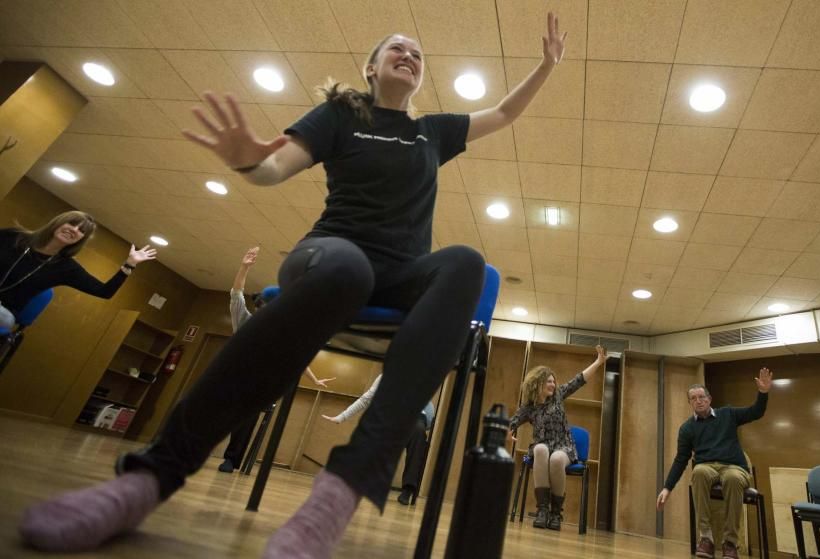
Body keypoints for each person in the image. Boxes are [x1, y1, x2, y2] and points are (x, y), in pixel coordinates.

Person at [19, 12, 568, 557]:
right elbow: (273, 166)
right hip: (331, 254)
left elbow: (502, 112)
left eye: (417, 54)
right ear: (371, 68)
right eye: (395, 48)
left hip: (402, 272)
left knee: (467, 262)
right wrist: (244, 162)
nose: (408, 55)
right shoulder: (340, 114)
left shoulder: (432, 132)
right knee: (346, 271)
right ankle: (149, 477)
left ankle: (340, 493)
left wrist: (546, 66)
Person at [217, 246, 333, 473]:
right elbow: (236, 294)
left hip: (263, 383)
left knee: (247, 413)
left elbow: (297, 358)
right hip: (237, 377)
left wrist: (315, 379)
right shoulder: (244, 321)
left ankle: (231, 458)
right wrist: (244, 267)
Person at [656, 368, 773, 559]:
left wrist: (763, 392)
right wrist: (667, 488)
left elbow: (756, 412)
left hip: (734, 467)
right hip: (707, 467)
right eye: (693, 398)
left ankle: (730, 543)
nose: (698, 400)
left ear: (709, 399)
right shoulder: (687, 428)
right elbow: (681, 459)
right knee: (699, 472)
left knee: (733, 478)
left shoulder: (727, 414)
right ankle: (706, 538)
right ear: (690, 403)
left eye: (701, 396)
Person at [0, 211, 156, 330]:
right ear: (58, 223)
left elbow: (104, 291)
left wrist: (129, 265)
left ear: (81, 239)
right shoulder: (14, 237)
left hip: (5, 310)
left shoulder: (66, 268)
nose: (74, 230)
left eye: (81, 230)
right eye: (72, 223)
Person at [508, 345, 607, 531]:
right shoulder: (529, 407)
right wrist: (508, 431)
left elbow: (580, 379)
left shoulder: (559, 395)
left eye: (554, 381)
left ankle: (555, 513)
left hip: (564, 447)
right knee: (539, 449)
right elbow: (512, 422)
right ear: (537, 384)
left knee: (555, 459)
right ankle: (542, 510)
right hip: (542, 446)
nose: (553, 385)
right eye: (549, 382)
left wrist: (598, 362)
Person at [321, 373, 434, 505]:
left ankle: (408, 488)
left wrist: (427, 422)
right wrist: (342, 417)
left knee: (418, 432)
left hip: (414, 416)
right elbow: (365, 399)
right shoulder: (385, 376)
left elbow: (428, 408)